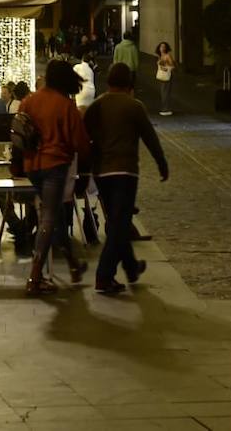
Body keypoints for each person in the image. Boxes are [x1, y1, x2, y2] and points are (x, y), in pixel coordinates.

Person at [84, 62, 169, 294]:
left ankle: (131, 267)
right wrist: (162, 164)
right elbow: (150, 138)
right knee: (119, 224)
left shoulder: (97, 106)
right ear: (129, 84)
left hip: (102, 171)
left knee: (116, 222)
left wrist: (89, 163)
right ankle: (104, 275)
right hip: (125, 170)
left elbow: (84, 136)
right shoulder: (135, 106)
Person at [21, 58, 91, 295]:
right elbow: (79, 141)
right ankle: (35, 276)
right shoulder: (65, 105)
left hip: (32, 164)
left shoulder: (28, 101)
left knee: (56, 215)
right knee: (50, 216)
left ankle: (72, 265)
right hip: (55, 164)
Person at [154, 42, 176, 116]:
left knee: (165, 92)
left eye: (164, 47)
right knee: (163, 92)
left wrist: (165, 67)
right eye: (161, 47)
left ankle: (166, 109)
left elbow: (172, 66)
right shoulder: (160, 56)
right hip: (162, 76)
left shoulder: (167, 56)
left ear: (166, 48)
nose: (162, 48)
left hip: (167, 76)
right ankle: (165, 108)